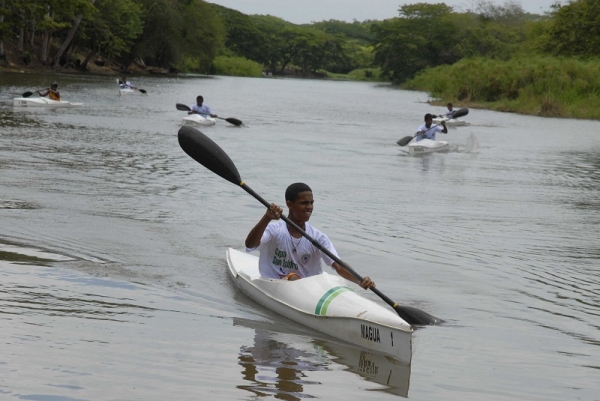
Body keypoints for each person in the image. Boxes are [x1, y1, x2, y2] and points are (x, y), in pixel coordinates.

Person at [245, 182, 375, 289]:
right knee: (293, 277)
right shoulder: (274, 230)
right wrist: (266, 218)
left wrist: (359, 280)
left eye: (311, 203)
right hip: (275, 285)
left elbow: (338, 265)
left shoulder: (318, 237)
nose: (309, 207)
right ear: (290, 204)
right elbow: (250, 244)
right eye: (304, 203)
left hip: (310, 290)